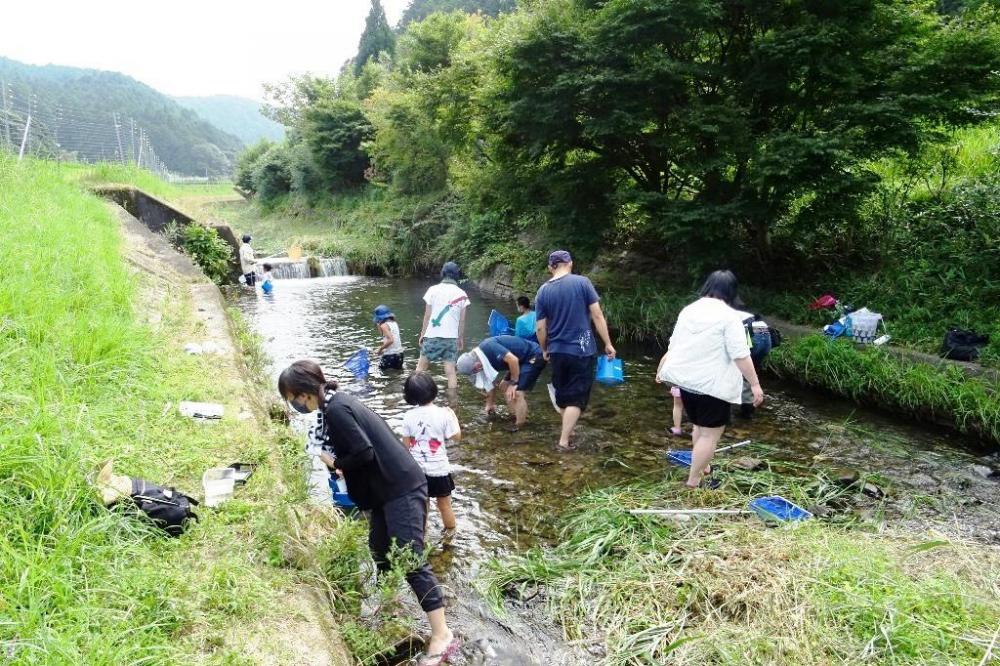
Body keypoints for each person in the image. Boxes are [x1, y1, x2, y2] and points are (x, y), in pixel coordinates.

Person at [278, 361, 459, 665]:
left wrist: (335, 463)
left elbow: (363, 452)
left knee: (408, 556)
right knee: (378, 548)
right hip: (385, 492)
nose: (294, 404)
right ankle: (392, 607)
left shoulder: (336, 409)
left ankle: (442, 633)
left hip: (401, 488)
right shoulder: (335, 404)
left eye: (292, 398)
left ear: (302, 393)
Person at [656, 270, 765, 489]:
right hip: (712, 387)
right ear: (731, 292)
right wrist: (754, 384)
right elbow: (740, 354)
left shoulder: (689, 310)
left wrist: (661, 366)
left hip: (687, 382)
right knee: (710, 435)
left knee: (699, 426)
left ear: (708, 286)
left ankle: (704, 468)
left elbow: (674, 343)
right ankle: (694, 481)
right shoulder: (729, 316)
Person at [534, 250, 615, 451]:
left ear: (550, 268)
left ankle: (568, 428)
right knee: (577, 398)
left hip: (558, 350)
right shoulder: (582, 282)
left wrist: (545, 348)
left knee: (563, 394)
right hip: (582, 348)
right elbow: (597, 316)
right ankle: (563, 441)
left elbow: (540, 328)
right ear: (570, 263)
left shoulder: (543, 291)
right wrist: (608, 343)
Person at [401, 372, 460, 540]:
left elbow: (405, 446)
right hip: (439, 470)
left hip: (417, 472)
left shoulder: (408, 416)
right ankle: (450, 534)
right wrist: (454, 417)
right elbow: (456, 437)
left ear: (410, 396)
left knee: (422, 505)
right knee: (445, 505)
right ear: (433, 390)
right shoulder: (443, 413)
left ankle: (423, 536)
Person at [454, 334, 547, 431]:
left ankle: (520, 426)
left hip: (533, 355)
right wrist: (489, 404)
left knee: (517, 392)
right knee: (503, 386)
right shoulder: (479, 360)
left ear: (476, 366)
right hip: (519, 361)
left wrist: (513, 383)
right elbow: (489, 384)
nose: (476, 372)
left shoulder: (488, 347)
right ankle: (515, 415)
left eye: (474, 371)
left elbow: (513, 360)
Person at [417, 262, 469, 390]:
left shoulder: (432, 290)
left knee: (420, 369)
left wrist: (422, 334)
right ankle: (453, 403)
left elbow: (427, 315)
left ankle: (414, 396)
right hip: (451, 338)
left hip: (432, 335)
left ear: (443, 273)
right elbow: (462, 321)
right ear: (457, 275)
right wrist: (460, 338)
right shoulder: (462, 294)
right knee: (451, 372)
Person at [732, 303, 772, 418]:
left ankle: (747, 407)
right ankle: (753, 401)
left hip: (751, 334)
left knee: (742, 370)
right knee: (751, 369)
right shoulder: (743, 314)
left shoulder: (725, 314)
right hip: (765, 334)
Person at [373, 305, 404, 371]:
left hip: (390, 356)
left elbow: (391, 340)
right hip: (400, 354)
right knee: (397, 374)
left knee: (383, 373)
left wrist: (380, 349)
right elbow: (393, 340)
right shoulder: (394, 323)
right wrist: (383, 350)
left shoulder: (384, 325)